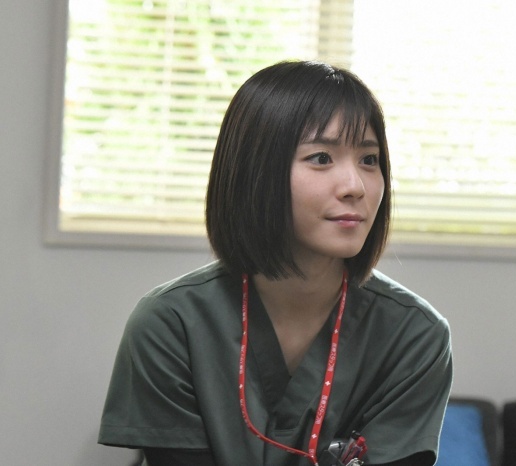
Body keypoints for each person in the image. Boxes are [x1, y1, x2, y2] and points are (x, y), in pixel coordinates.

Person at [98, 60, 453, 466]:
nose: (355, 186)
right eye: (321, 157)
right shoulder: (171, 324)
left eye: (369, 160)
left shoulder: (414, 335)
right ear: (255, 172)